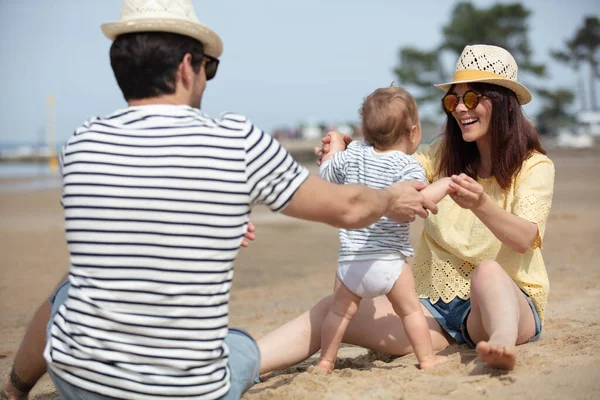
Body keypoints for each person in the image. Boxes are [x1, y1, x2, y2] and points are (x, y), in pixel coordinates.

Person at [0, 1, 439, 399]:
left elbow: (125, 231)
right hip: (189, 388)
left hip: (82, 382)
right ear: (188, 67)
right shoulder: (235, 140)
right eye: (211, 65)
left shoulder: (80, 144)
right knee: (242, 346)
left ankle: (16, 389)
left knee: (70, 283)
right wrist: (388, 199)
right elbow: (347, 208)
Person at [257, 44, 554, 374]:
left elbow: (525, 238)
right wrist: (349, 155)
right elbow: (392, 167)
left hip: (504, 309)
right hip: (435, 314)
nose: (459, 109)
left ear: (504, 102)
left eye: (471, 98)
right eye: (453, 100)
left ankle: (500, 344)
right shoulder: (442, 152)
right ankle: (246, 360)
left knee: (487, 272)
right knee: (333, 308)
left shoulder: (534, 166)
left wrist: (482, 204)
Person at [316, 86, 450, 372]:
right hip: (389, 260)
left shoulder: (352, 156)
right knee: (410, 310)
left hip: (352, 259)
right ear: (413, 132)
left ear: (364, 130)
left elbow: (327, 174)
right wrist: (447, 184)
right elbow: (421, 200)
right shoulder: (407, 165)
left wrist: (336, 145)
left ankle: (326, 361)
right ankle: (426, 359)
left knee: (338, 313)